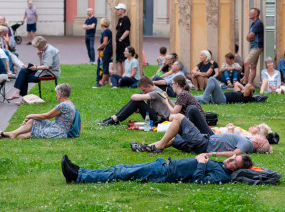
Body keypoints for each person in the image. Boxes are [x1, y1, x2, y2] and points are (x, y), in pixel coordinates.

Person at [61, 152, 253, 185]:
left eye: (233, 162)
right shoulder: (221, 166)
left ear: (235, 169)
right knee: (121, 168)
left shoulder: (223, 176)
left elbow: (199, 181)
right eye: (232, 157)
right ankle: (80, 172)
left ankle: (78, 176)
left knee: (121, 174)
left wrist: (201, 164)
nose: (229, 160)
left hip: (164, 172)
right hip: (163, 164)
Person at [135, 112, 270, 156]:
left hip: (204, 144)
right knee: (174, 139)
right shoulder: (247, 140)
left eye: (262, 138)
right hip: (203, 142)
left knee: (180, 117)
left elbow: (235, 153)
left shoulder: (247, 144)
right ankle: (145, 147)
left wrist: (212, 154)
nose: (261, 136)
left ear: (259, 143)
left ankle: (158, 147)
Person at [0, 83, 77, 139]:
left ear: (60, 94)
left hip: (58, 132)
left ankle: (5, 134)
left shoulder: (63, 105)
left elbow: (47, 116)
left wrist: (29, 115)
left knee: (31, 131)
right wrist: (32, 117)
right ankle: (8, 134)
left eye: (56, 93)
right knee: (33, 122)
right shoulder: (70, 104)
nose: (56, 96)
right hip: (58, 129)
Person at [97, 76, 173, 127]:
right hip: (156, 116)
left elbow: (133, 97)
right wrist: (139, 109)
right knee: (136, 102)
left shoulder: (156, 92)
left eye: (144, 90)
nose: (143, 92)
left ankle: (114, 119)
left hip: (159, 120)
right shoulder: (153, 90)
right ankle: (114, 118)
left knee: (137, 101)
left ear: (149, 86)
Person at [7, 36, 61, 101]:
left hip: (50, 73)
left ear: (40, 46)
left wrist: (36, 67)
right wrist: (40, 57)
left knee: (24, 77)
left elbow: (46, 66)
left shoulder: (49, 51)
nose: (37, 49)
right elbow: (43, 65)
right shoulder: (46, 48)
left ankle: (21, 97)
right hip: (45, 71)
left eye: (37, 47)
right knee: (24, 71)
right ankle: (18, 94)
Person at [243, 8, 264, 85]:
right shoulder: (253, 23)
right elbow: (248, 37)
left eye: (250, 12)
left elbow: (250, 35)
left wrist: (249, 37)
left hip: (257, 46)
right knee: (253, 66)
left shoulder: (258, 23)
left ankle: (245, 81)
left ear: (256, 14)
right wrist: (249, 37)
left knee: (246, 63)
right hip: (253, 46)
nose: (249, 14)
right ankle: (250, 83)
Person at [114, 3, 131, 77]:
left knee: (124, 61)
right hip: (118, 43)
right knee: (118, 61)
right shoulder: (120, 20)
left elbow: (127, 31)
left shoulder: (126, 19)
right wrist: (116, 40)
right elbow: (118, 30)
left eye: (118, 9)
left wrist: (121, 39)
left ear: (123, 10)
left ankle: (124, 77)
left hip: (124, 43)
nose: (117, 11)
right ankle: (119, 77)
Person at [95, 18, 112, 87]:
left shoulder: (105, 32)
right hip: (108, 50)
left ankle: (101, 82)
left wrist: (99, 47)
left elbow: (105, 43)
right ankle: (106, 80)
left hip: (106, 51)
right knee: (105, 65)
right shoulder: (109, 31)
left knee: (105, 66)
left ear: (102, 24)